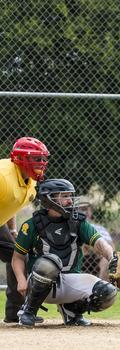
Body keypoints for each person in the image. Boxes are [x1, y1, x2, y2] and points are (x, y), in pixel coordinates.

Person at [12, 178, 120, 327]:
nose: (70, 201)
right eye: (65, 196)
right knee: (50, 263)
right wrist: (21, 279)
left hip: (70, 280)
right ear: (49, 199)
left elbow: (100, 242)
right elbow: (18, 258)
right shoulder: (31, 225)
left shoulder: (78, 222)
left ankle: (71, 311)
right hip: (41, 283)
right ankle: (29, 310)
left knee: (107, 293)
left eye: (71, 196)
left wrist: (112, 259)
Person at [0, 136, 49, 324]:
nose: (42, 163)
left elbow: (11, 204)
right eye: (37, 159)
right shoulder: (3, 176)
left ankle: (16, 312)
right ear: (21, 159)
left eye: (43, 159)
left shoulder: (31, 181)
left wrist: (12, 231)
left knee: (18, 255)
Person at [77, 196, 115, 279]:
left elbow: (111, 247)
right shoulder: (72, 227)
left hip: (99, 258)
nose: (86, 212)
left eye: (88, 209)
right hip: (82, 256)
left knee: (109, 256)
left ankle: (102, 283)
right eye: (82, 209)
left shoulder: (101, 229)